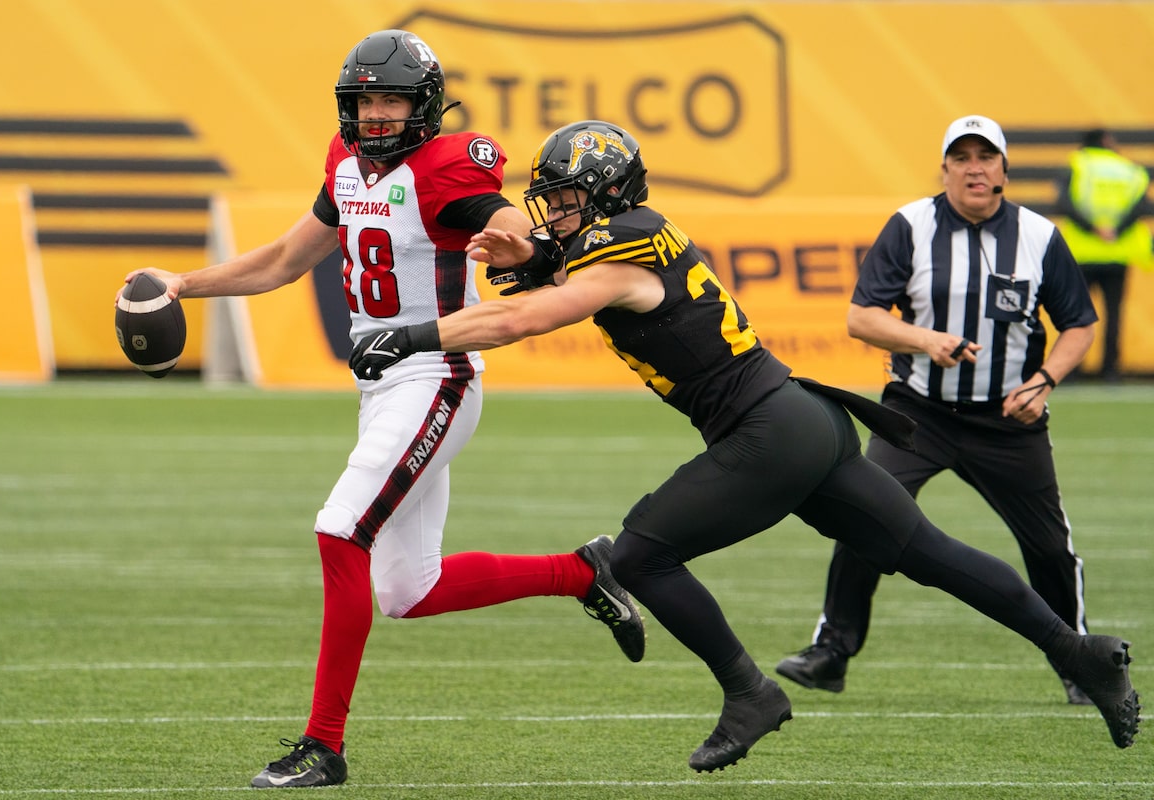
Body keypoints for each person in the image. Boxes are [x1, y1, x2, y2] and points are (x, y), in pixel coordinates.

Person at [348, 119, 1141, 772]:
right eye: (548, 202)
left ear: (606, 193)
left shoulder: (616, 250)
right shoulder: (629, 234)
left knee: (638, 556)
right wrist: (532, 256)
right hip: (803, 417)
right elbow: (563, 269)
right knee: (929, 553)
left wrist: (412, 335)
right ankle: (1080, 653)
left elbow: (526, 319)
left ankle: (749, 691)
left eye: (562, 199)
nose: (551, 213)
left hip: (767, 431)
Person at [116, 33, 645, 789]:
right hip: (383, 388)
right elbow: (281, 261)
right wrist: (183, 284)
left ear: (424, 105)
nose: (376, 114)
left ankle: (323, 746)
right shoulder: (346, 163)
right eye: (365, 100)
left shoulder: (449, 166)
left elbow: (507, 226)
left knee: (339, 529)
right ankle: (583, 572)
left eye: (391, 98)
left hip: (437, 373)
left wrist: (521, 247)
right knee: (408, 589)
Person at [775, 115, 1102, 708]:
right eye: (962, 157)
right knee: (861, 514)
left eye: (986, 156)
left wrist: (1045, 381)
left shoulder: (1037, 235)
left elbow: (1079, 322)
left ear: (1004, 170)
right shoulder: (911, 225)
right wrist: (926, 340)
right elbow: (861, 317)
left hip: (1008, 420)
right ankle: (832, 651)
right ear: (945, 168)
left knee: (1050, 547)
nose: (975, 167)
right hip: (917, 412)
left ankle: (1078, 659)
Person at [1055, 128, 1154, 383]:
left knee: (1075, 314)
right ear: (1107, 141)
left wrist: (1092, 228)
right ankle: (1110, 370)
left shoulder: (1078, 165)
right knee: (1113, 314)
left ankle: (1072, 369)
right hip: (1117, 252)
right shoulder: (1129, 170)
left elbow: (1064, 203)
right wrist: (1116, 230)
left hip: (1081, 254)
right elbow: (1142, 205)